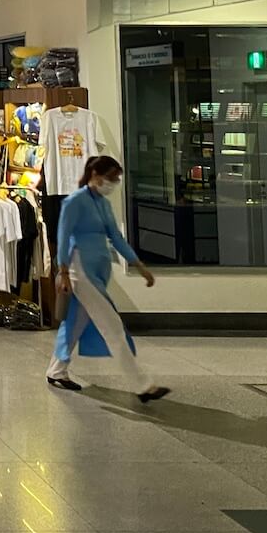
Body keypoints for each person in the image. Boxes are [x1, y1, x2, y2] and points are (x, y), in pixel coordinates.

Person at [46, 154, 170, 403]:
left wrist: (138, 264)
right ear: (95, 174)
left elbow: (116, 236)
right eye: (111, 177)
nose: (113, 183)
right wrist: (63, 271)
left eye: (116, 179)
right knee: (112, 326)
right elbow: (63, 236)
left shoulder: (102, 203)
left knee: (76, 323)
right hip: (80, 270)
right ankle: (142, 385)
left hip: (97, 271)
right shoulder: (74, 202)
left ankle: (56, 370)